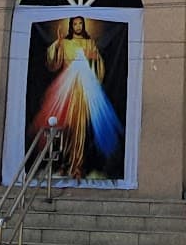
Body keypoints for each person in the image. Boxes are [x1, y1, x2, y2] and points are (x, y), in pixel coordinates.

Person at [31, 16, 123, 180]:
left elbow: (98, 69)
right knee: (64, 128)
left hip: (84, 89)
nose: (78, 26)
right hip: (66, 91)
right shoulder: (65, 43)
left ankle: (77, 166)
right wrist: (58, 43)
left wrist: (94, 58)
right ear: (71, 26)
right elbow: (53, 64)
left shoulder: (89, 43)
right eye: (75, 23)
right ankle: (63, 165)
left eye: (81, 23)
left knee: (80, 130)